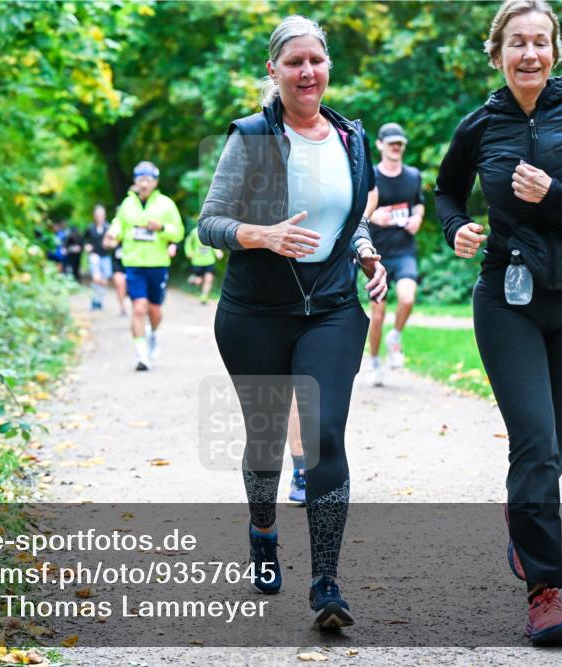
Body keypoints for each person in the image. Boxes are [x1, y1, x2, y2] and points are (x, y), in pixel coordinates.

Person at [435, 0, 562, 643]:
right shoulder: (478, 125)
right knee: (535, 444)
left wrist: (558, 194)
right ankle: (544, 593)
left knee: (555, 448)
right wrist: (456, 227)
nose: (530, 54)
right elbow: (444, 191)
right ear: (497, 53)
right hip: (506, 300)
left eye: (541, 43)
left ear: (555, 52)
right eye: (517, 42)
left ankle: (525, 518)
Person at [198, 15, 387, 631]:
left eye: (317, 61)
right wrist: (260, 234)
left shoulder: (353, 138)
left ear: (327, 67)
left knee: (325, 435)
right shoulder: (251, 137)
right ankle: (262, 531)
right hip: (255, 313)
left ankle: (326, 582)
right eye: (294, 62)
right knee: (264, 441)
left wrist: (364, 252)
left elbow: (348, 217)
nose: (307, 72)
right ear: (274, 72)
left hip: (331, 310)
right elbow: (209, 225)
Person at [105, 161, 185, 370]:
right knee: (139, 308)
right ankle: (141, 356)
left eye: (148, 179)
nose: (144, 182)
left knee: (154, 311)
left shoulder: (166, 204)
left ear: (155, 182)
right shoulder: (127, 204)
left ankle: (153, 334)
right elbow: (119, 224)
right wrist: (113, 232)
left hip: (157, 264)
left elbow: (178, 232)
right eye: (140, 178)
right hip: (133, 263)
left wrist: (161, 228)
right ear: (135, 181)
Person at [365, 122, 425, 386]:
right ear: (380, 145)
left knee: (408, 298)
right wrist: (372, 216)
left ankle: (396, 336)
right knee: (377, 314)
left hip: (404, 251)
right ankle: (375, 362)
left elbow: (420, 204)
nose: (396, 147)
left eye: (399, 143)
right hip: (376, 256)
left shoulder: (413, 176)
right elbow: (356, 211)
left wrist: (418, 218)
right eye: (391, 143)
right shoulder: (370, 177)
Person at [183, 225, 223, 304]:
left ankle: (204, 296)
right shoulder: (194, 231)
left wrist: (218, 252)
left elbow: (213, 244)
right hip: (197, 261)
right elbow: (188, 242)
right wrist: (189, 252)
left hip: (209, 261)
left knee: (209, 279)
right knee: (198, 281)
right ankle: (193, 280)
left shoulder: (210, 232)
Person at [84, 204, 113, 310]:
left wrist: (110, 244)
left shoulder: (108, 227)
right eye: (97, 214)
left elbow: (114, 241)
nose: (99, 216)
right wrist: (87, 246)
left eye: (101, 214)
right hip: (94, 256)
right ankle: (95, 299)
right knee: (96, 278)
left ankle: (99, 300)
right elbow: (85, 240)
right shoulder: (90, 228)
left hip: (105, 257)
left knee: (104, 281)